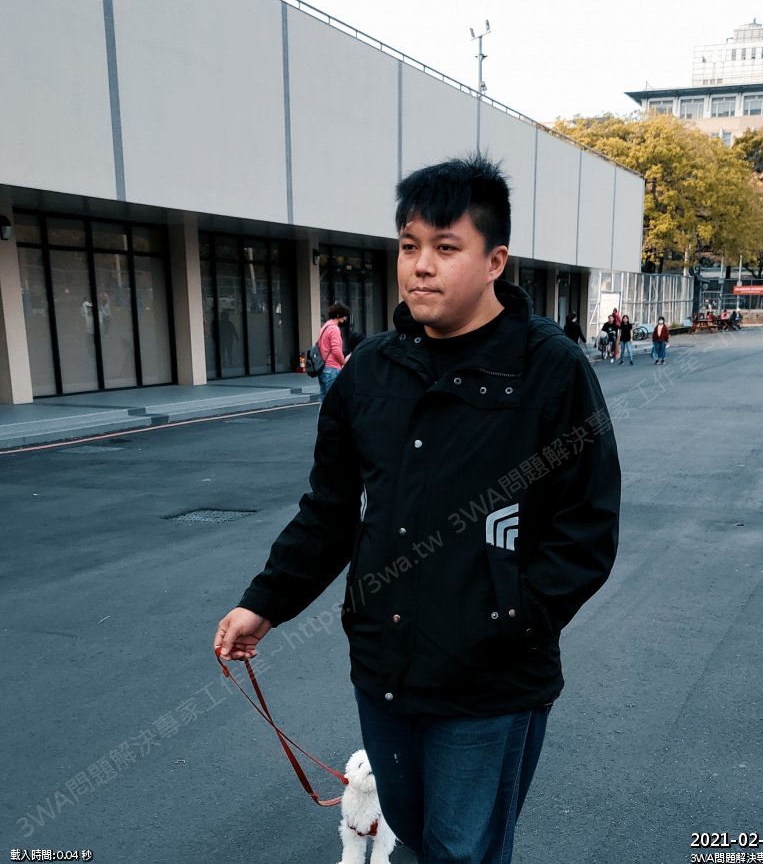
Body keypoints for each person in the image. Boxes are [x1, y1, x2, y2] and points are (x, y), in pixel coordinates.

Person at [214, 155, 621, 864]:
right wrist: (265, 602)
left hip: (490, 682)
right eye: (409, 246)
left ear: (495, 261)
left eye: (445, 247)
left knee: (463, 852)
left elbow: (586, 526)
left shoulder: (548, 370)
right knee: (410, 831)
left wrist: (513, 623)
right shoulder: (372, 371)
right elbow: (330, 510)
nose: (421, 266)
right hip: (385, 668)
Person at [316, 303, 350, 395]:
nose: (345, 318)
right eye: (344, 315)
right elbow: (336, 351)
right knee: (333, 398)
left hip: (323, 368)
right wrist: (344, 362)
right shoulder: (334, 329)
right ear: (338, 315)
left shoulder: (325, 326)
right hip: (332, 369)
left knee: (324, 398)